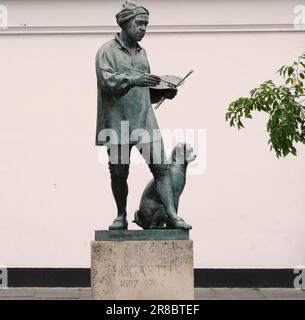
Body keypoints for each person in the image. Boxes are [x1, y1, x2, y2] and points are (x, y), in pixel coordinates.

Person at [95, 1, 191, 230]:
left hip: (145, 119)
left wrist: (161, 93)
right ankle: (121, 215)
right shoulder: (106, 51)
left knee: (161, 167)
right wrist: (134, 80)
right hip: (118, 123)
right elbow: (106, 81)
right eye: (139, 23)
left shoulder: (142, 53)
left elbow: (142, 91)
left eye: (146, 24)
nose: (143, 28)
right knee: (119, 171)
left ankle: (172, 215)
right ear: (125, 23)